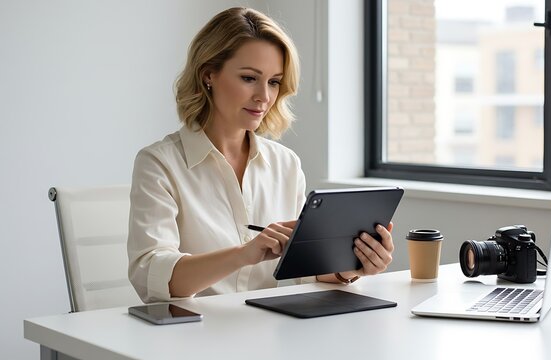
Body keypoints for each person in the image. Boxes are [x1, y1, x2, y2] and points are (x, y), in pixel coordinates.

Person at [127, 7, 394, 303]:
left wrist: (351, 267)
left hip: (265, 332)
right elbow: (151, 275)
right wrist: (243, 254)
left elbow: (304, 270)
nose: (264, 97)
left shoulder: (286, 164)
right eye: (249, 78)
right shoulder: (160, 164)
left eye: (274, 81)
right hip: (190, 336)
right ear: (208, 75)